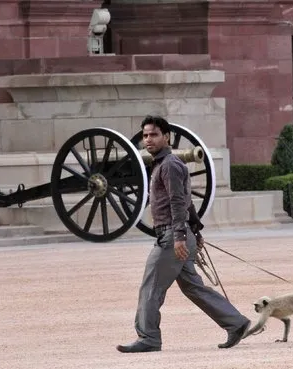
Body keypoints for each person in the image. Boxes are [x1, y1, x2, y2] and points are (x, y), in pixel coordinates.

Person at [116, 115, 251, 353]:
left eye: (154, 134)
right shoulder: (164, 164)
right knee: (193, 287)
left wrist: (181, 236)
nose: (148, 139)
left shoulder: (168, 165)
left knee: (151, 286)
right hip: (177, 234)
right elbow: (187, 201)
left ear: (166, 137)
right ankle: (236, 323)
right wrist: (194, 231)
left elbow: (179, 202)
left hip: (171, 238)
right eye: (145, 135)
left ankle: (148, 338)